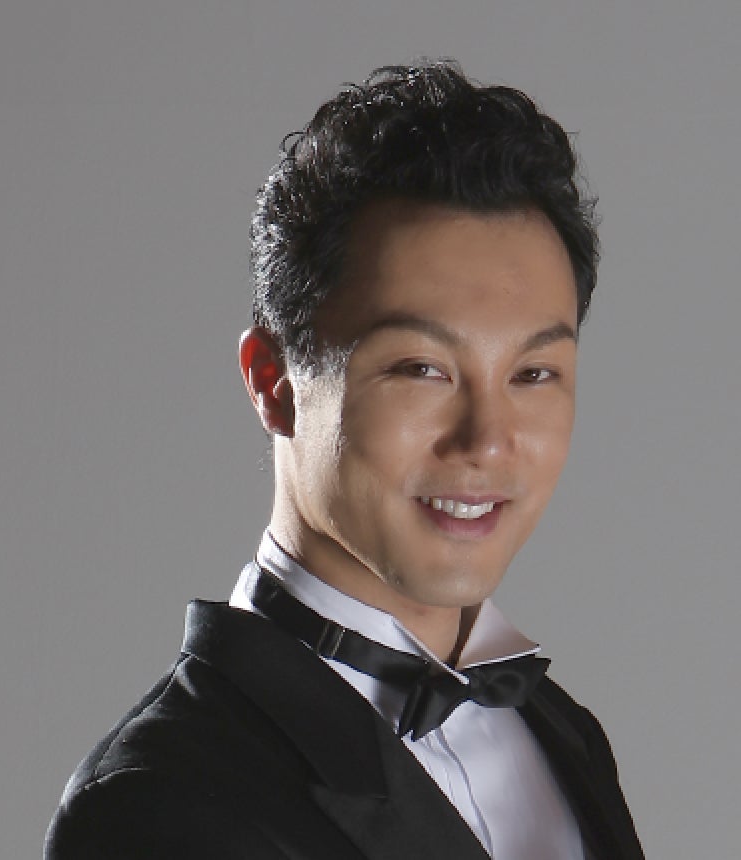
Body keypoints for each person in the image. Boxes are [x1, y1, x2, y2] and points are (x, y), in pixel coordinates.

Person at [46, 60, 644, 859]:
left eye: (533, 374)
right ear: (274, 382)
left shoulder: (566, 736)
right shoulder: (156, 800)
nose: (487, 440)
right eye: (421, 369)